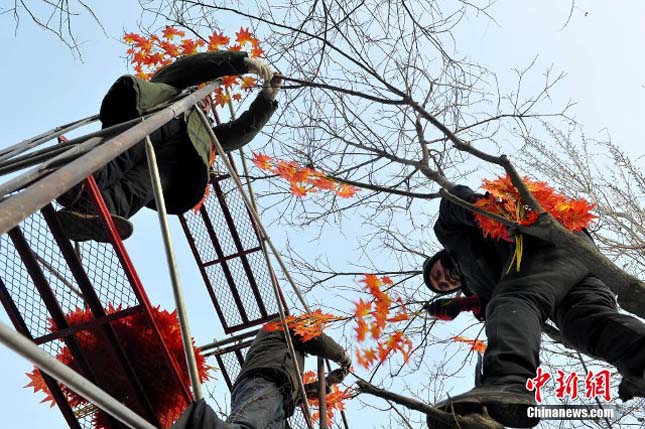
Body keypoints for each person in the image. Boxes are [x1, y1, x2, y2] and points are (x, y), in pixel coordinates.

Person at [422, 184, 645, 428]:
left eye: (437, 274)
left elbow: (453, 201)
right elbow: (499, 310)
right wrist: (461, 305)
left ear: (440, 257)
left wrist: (492, 214)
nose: (444, 279)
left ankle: (509, 381)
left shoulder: (450, 235)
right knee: (582, 324)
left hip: (546, 244)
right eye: (442, 285)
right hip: (575, 273)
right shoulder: (480, 285)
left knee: (514, 299)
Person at [56, 51, 281, 242]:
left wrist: (266, 100)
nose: (206, 102)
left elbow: (240, 133)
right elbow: (191, 66)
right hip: (155, 120)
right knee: (122, 155)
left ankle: (91, 213)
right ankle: (78, 185)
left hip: (178, 160)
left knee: (142, 186)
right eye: (203, 99)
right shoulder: (172, 87)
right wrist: (240, 63)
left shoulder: (204, 134)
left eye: (207, 105)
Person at [171, 318, 352, 429]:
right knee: (248, 426)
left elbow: (294, 394)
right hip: (265, 380)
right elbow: (314, 338)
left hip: (279, 397)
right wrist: (342, 356)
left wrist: (326, 382)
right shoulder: (281, 325)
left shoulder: (285, 359)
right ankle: (197, 423)